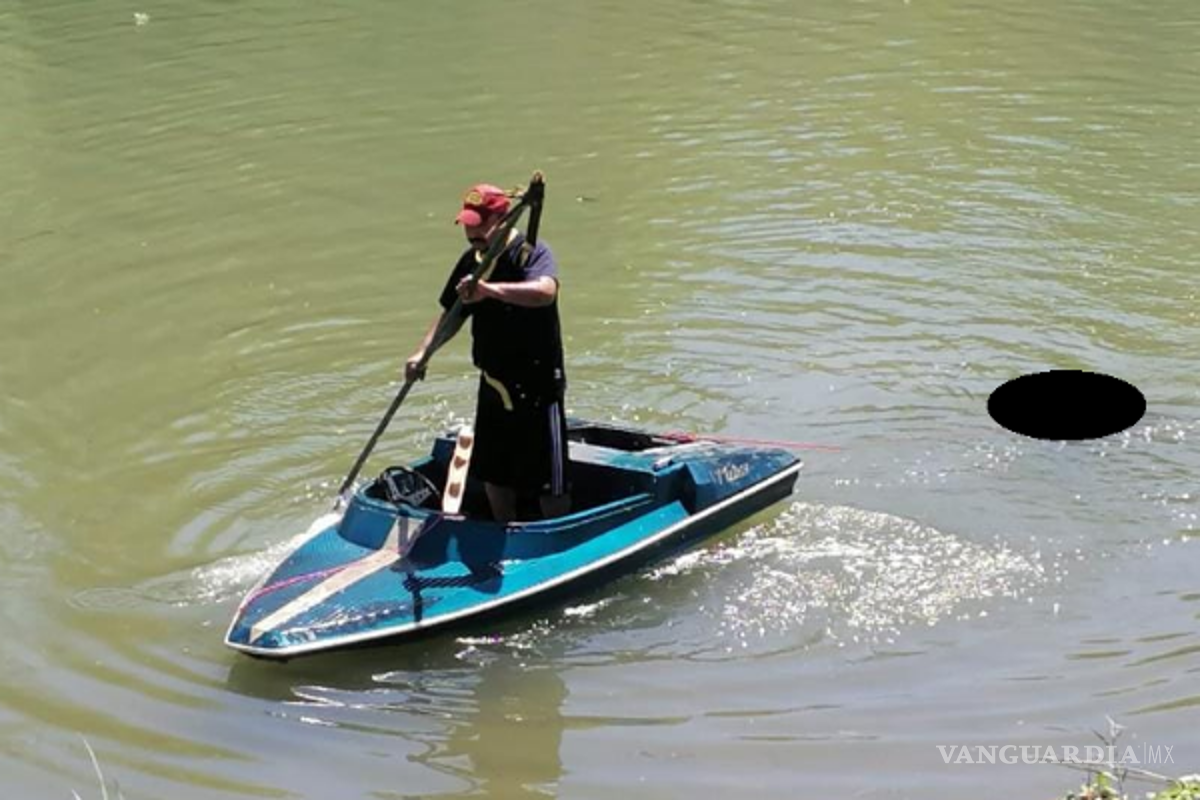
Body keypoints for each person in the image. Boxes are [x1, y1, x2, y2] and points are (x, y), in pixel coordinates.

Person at [405, 183, 570, 523]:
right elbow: (451, 315)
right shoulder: (470, 262)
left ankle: (554, 536)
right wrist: (423, 354)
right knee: (494, 472)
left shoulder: (530, 253)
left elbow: (545, 292)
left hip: (537, 383)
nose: (471, 232)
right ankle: (500, 531)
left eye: (479, 223)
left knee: (548, 481)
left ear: (502, 219)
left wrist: (489, 291)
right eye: (467, 224)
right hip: (494, 382)